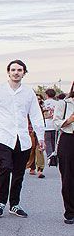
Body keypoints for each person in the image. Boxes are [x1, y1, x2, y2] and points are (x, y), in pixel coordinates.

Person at [0, 60, 45, 218]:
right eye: (13, 70)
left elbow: (36, 115)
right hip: (3, 136)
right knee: (5, 167)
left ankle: (14, 204)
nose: (16, 72)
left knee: (18, 172)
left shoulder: (28, 92)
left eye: (19, 70)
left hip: (22, 138)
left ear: (24, 72)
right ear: (8, 72)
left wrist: (41, 137)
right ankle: (1, 202)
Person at [53, 87, 74, 224]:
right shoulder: (64, 103)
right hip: (69, 139)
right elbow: (56, 123)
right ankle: (70, 211)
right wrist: (69, 120)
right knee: (68, 177)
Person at [42, 88, 58, 157]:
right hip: (55, 124)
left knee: (47, 141)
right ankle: (55, 153)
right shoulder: (57, 103)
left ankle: (49, 155)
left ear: (47, 95)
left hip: (47, 125)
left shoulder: (44, 103)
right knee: (54, 140)